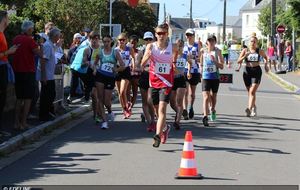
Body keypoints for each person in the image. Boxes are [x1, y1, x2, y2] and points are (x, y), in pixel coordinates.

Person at [141, 23, 177, 148]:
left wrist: (175, 64)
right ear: (155, 34)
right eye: (159, 33)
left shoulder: (173, 47)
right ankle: (165, 128)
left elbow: (176, 57)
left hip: (166, 83)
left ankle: (157, 135)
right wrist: (148, 56)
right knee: (155, 108)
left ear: (167, 34)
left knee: (162, 109)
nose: (161, 36)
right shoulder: (151, 46)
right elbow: (143, 62)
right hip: (153, 82)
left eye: (163, 33)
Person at [12, 20, 43, 130]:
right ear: (29, 29)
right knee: (28, 98)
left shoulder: (15, 39)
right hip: (28, 71)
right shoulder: (30, 41)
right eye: (32, 28)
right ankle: (23, 123)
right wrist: (41, 45)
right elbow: (40, 54)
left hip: (17, 71)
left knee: (19, 98)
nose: (33, 30)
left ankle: (16, 123)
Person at [93, 35, 125, 129]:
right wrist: (95, 69)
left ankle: (110, 111)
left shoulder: (115, 53)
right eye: (104, 42)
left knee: (107, 101)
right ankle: (104, 121)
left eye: (108, 41)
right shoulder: (100, 53)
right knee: (100, 99)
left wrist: (116, 69)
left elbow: (123, 65)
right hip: (100, 76)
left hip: (110, 77)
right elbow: (94, 64)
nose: (106, 43)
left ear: (111, 41)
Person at [237, 35, 269, 117]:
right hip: (247, 72)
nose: (253, 43)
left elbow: (265, 57)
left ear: (257, 43)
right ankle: (254, 107)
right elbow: (238, 61)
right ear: (249, 42)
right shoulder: (245, 50)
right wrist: (245, 56)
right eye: (251, 41)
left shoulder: (259, 50)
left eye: (254, 41)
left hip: (256, 71)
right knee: (250, 92)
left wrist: (266, 65)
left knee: (252, 91)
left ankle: (249, 109)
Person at [36, 28, 62, 121]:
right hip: (46, 75)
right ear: (55, 36)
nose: (59, 38)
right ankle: (43, 115)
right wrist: (43, 76)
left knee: (50, 94)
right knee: (46, 95)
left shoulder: (50, 45)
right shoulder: (47, 45)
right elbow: (43, 60)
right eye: (58, 36)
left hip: (49, 75)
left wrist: (57, 46)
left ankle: (47, 113)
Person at [199, 35, 224, 126]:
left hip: (215, 77)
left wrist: (215, 62)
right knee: (206, 97)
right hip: (205, 77)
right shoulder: (203, 51)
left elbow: (221, 66)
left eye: (213, 41)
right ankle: (205, 116)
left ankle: (212, 109)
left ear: (215, 42)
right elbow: (201, 63)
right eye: (209, 41)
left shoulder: (218, 52)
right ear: (207, 42)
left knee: (213, 96)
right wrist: (201, 72)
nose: (211, 42)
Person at [0, 11, 18, 137]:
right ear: (3, 19)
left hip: (3, 68)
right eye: (8, 17)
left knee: (2, 100)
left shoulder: (2, 34)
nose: (9, 19)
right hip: (0, 68)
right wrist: (9, 52)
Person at [137, 31, 156, 132]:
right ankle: (150, 122)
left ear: (153, 39)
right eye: (146, 40)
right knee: (145, 101)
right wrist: (139, 67)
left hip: (153, 76)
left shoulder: (157, 50)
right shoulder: (142, 50)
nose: (148, 41)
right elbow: (137, 62)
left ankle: (153, 119)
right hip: (144, 76)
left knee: (150, 101)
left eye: (150, 39)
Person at [170, 39, 190, 130]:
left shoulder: (185, 56)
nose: (180, 47)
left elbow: (190, 62)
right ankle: (180, 113)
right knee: (172, 102)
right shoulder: (172, 56)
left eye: (181, 45)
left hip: (181, 79)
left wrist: (188, 70)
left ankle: (177, 121)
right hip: (172, 79)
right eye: (178, 45)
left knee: (179, 101)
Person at [82, 31, 102, 123]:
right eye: (92, 39)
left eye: (96, 39)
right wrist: (90, 64)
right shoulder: (87, 50)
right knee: (94, 95)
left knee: (100, 96)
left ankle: (99, 113)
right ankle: (95, 114)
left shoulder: (101, 50)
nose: (94, 41)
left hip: (101, 73)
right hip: (91, 74)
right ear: (89, 39)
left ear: (98, 39)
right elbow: (84, 61)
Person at [115, 33, 135, 119]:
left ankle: (127, 107)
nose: (121, 41)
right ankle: (124, 110)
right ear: (117, 41)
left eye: (123, 40)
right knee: (120, 94)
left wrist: (133, 66)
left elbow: (133, 57)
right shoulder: (115, 50)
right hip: (118, 70)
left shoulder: (129, 49)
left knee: (123, 91)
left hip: (126, 70)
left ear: (126, 40)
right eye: (120, 40)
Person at [182, 28, 201, 120]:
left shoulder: (197, 45)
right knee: (184, 91)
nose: (189, 37)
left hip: (195, 70)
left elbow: (200, 59)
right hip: (185, 70)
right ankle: (184, 109)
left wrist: (193, 58)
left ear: (193, 36)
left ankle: (191, 107)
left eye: (190, 35)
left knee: (192, 93)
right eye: (187, 35)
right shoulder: (184, 46)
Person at [127, 35, 141, 114]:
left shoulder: (139, 52)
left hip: (136, 73)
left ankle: (131, 106)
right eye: (132, 42)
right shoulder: (127, 50)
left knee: (135, 91)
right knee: (127, 91)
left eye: (135, 43)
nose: (133, 44)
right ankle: (128, 104)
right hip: (128, 73)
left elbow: (140, 63)